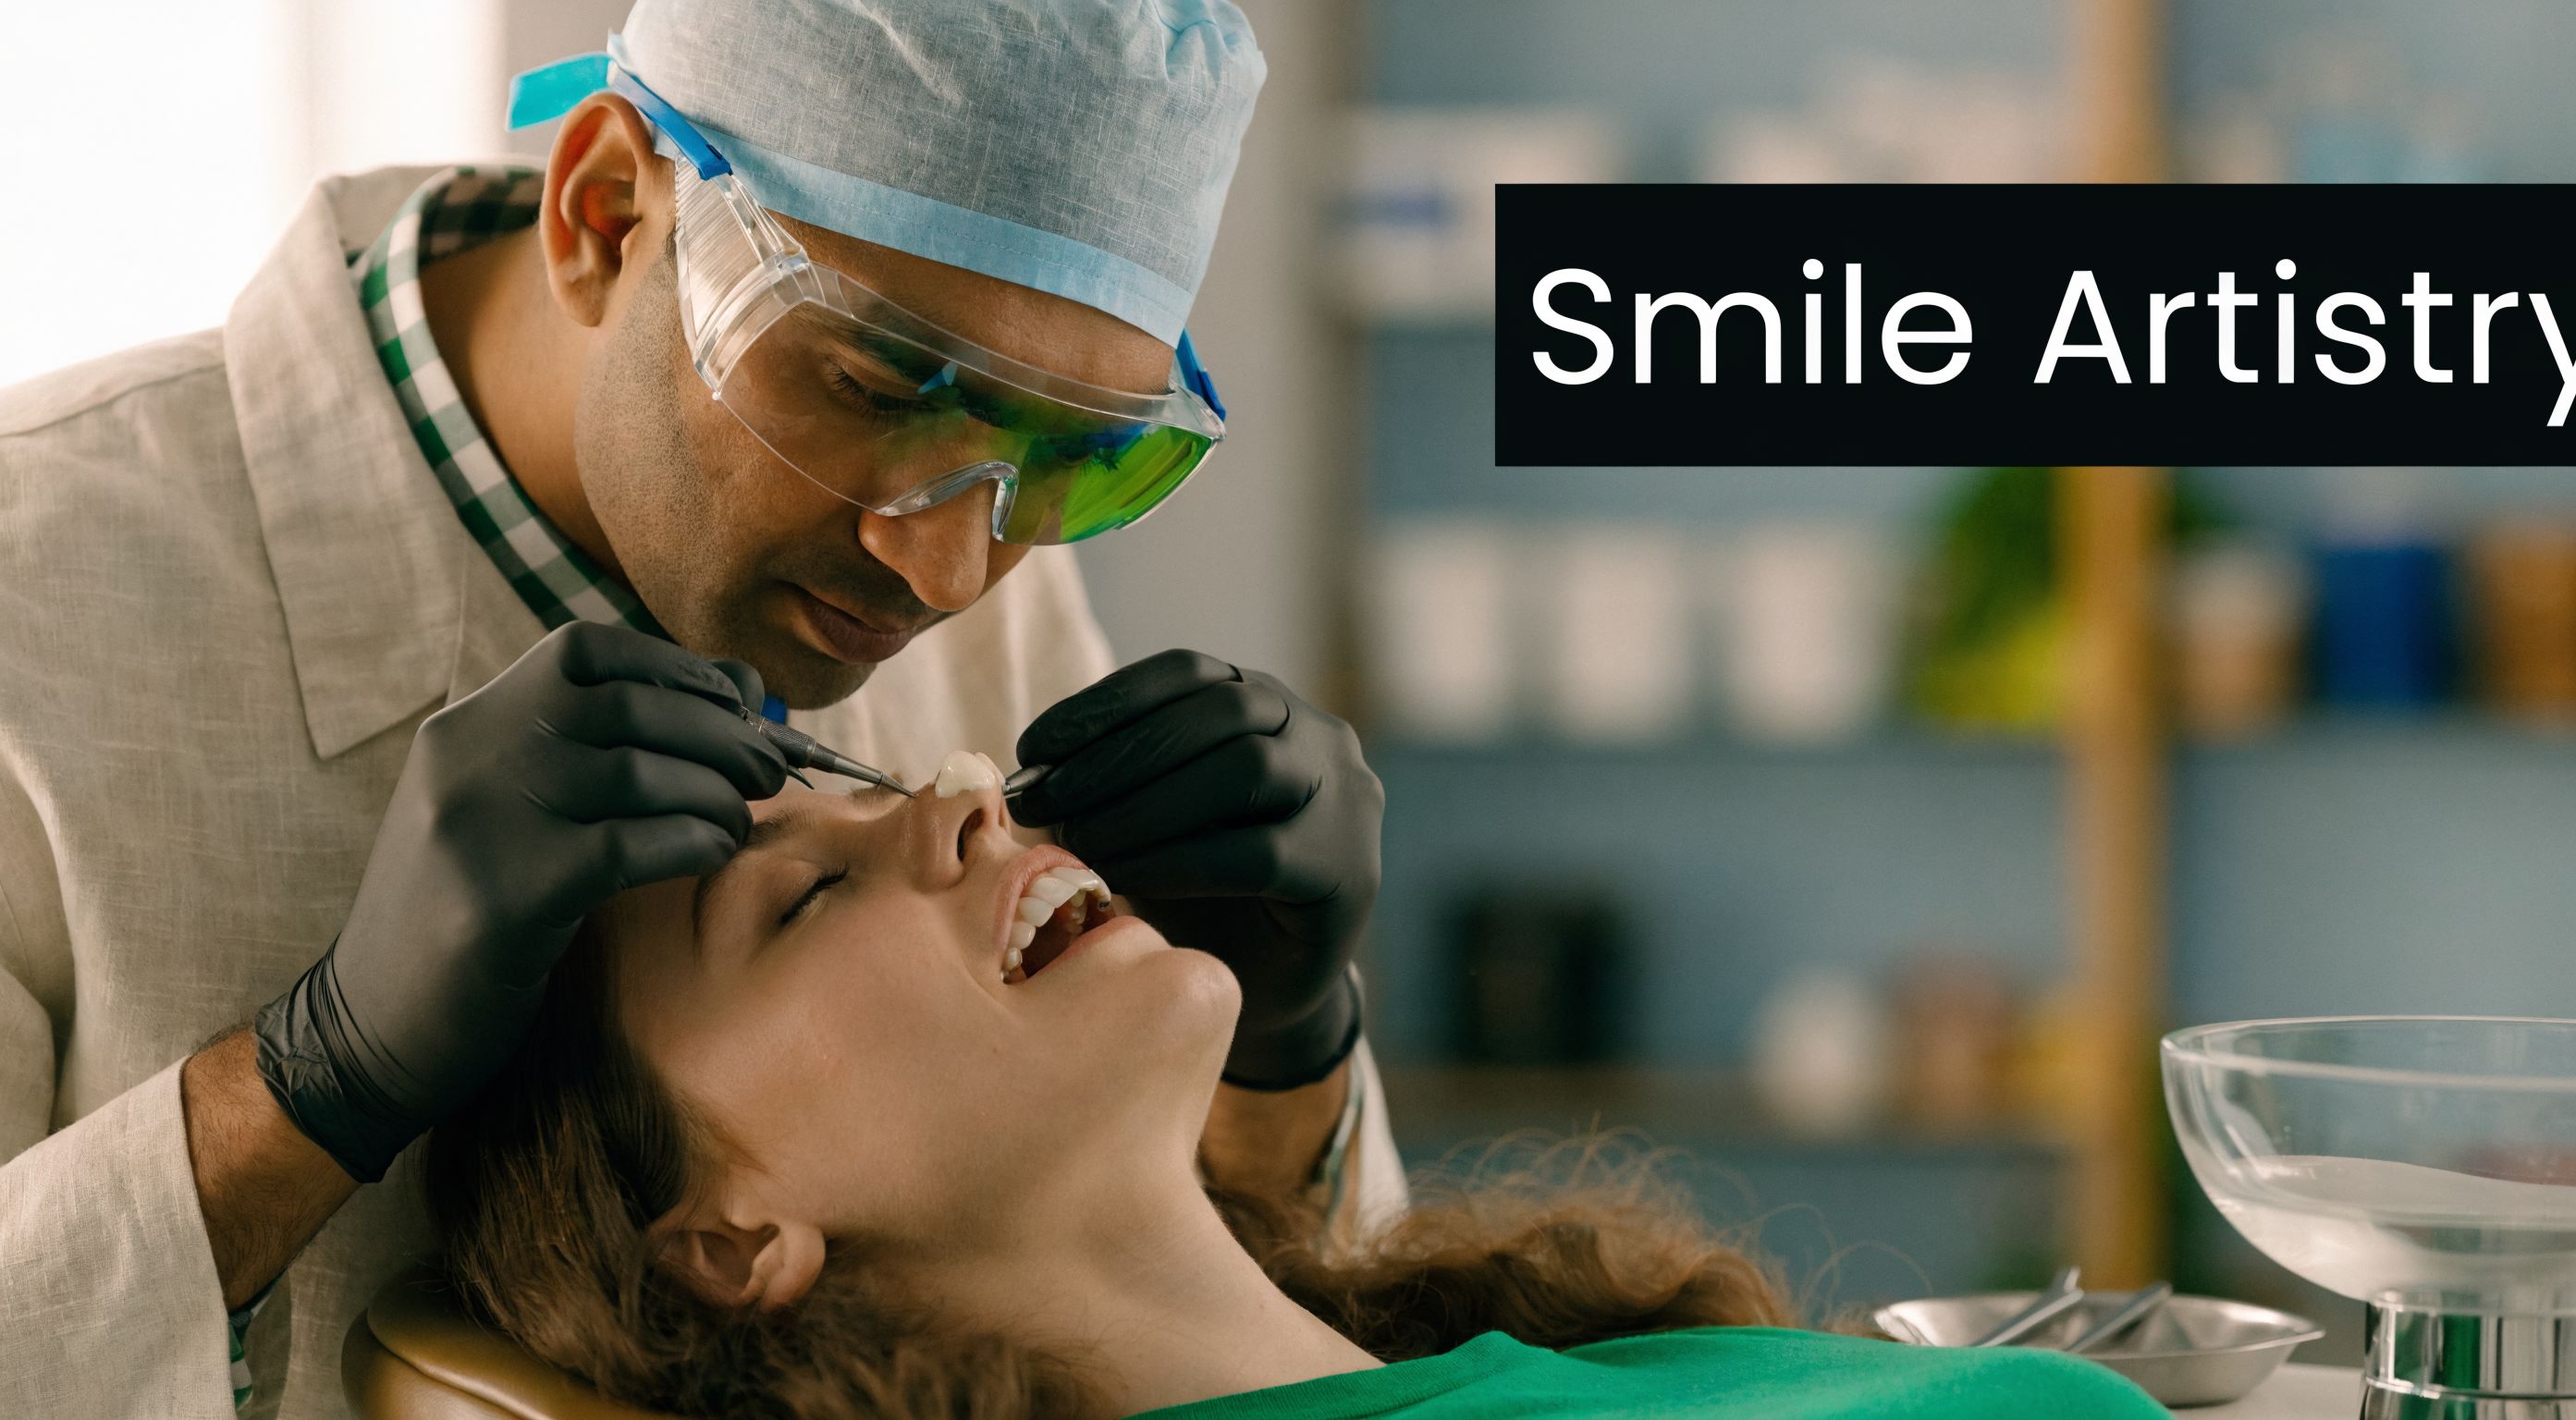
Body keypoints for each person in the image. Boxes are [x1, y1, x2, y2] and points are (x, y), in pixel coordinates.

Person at [0, 5, 1394, 1415]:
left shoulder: (970, 550)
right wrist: (307, 1088)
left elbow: (1213, 1325)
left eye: (1073, 457)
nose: (951, 571)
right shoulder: (32, 597)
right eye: (869, 386)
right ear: (607, 215)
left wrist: (1280, 1052)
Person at [428, 759, 2165, 1420]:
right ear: (728, 1241)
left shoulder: (1599, 1361)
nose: (953, 797)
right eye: (800, 898)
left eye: (862, 782)